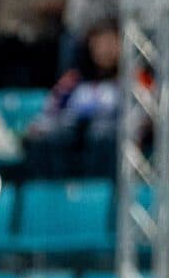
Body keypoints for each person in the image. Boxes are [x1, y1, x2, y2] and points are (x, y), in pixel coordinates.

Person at [23, 22, 124, 179]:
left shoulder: (132, 80)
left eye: (111, 43)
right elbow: (50, 111)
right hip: (72, 139)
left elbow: (141, 119)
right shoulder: (73, 79)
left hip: (109, 141)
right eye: (100, 43)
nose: (106, 50)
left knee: (101, 135)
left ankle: (101, 192)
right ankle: (54, 191)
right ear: (91, 44)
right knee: (46, 139)